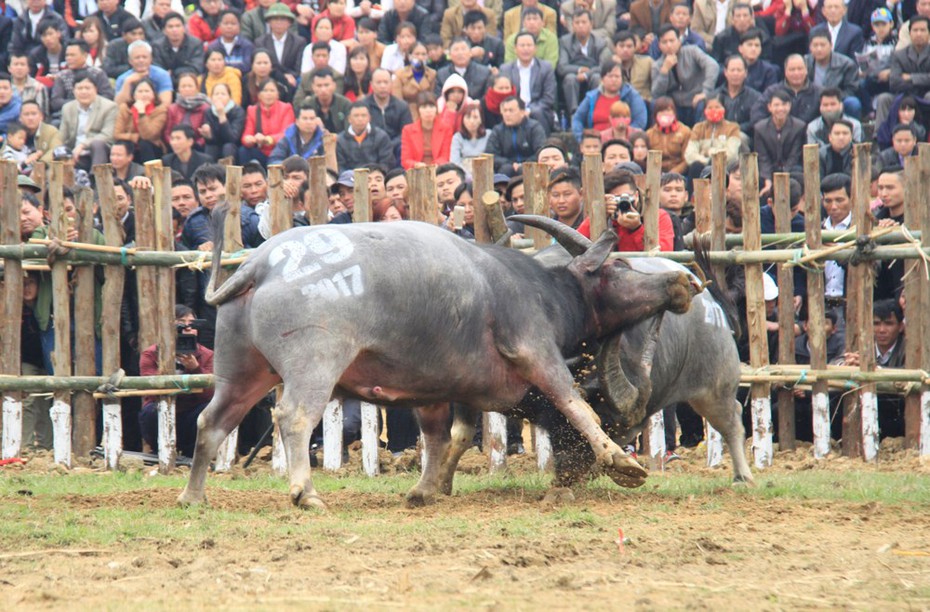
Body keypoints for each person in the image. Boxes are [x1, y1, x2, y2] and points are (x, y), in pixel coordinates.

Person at [139, 305, 214, 457]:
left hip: (191, 414)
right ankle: (159, 449)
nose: (187, 328)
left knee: (209, 410)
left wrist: (195, 369)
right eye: (181, 323)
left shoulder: (207, 355)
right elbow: (150, 390)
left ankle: (193, 453)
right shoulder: (151, 353)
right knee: (150, 412)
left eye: (192, 324)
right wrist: (166, 364)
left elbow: (210, 394)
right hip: (162, 410)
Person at [577, 168, 676, 249]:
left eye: (626, 197)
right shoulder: (602, 217)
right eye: (616, 198)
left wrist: (637, 229)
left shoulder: (657, 215)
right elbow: (575, 243)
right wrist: (598, 216)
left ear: (636, 195)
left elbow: (664, 252)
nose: (622, 202)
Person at [651, 24, 719, 127]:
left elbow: (713, 65)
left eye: (672, 41)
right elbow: (657, 94)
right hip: (675, 104)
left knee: (703, 104)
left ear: (679, 41)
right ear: (659, 45)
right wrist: (664, 71)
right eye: (664, 42)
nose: (669, 45)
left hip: (695, 99)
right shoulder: (657, 65)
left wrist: (706, 91)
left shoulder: (692, 51)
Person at [572, 58, 648, 142]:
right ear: (602, 79)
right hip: (596, 144)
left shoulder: (632, 95)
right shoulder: (591, 97)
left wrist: (626, 138)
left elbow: (640, 121)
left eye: (617, 76)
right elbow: (577, 119)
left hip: (624, 142)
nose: (614, 80)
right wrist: (583, 139)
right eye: (610, 76)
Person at [498, 31, 556, 133]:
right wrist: (516, 110)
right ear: (515, 49)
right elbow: (504, 95)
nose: (526, 49)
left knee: (538, 112)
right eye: (522, 45)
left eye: (529, 45)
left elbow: (548, 98)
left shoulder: (545, 68)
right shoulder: (505, 69)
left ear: (535, 48)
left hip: (537, 109)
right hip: (513, 108)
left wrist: (528, 110)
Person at [558, 10, 612, 116]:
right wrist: (579, 70)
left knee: (597, 78)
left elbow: (604, 67)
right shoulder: (565, 41)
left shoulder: (601, 42)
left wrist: (586, 74)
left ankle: (594, 113)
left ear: (591, 24)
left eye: (584, 22)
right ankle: (574, 113)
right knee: (570, 78)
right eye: (577, 23)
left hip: (592, 75)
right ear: (572, 25)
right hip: (574, 76)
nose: (580, 26)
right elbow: (561, 67)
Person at [753, 89, 806, 192]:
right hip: (769, 169)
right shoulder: (760, 128)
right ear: (769, 107)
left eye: (784, 104)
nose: (780, 108)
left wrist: (782, 178)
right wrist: (768, 180)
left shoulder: (799, 126)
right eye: (776, 105)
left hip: (791, 168)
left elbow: (794, 156)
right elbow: (763, 158)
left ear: (789, 106)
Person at [59, 74, 117, 168]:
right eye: (80, 88)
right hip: (74, 152)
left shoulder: (109, 107)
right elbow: (62, 136)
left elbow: (107, 135)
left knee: (97, 144)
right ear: (74, 91)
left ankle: (97, 177)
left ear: (95, 89)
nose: (83, 91)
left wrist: (82, 145)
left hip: (98, 151)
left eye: (87, 88)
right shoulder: (67, 108)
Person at [49, 39, 114, 120]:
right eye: (67, 55)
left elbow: (108, 96)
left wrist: (88, 103)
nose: (68, 58)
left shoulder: (97, 73)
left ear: (85, 55)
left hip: (95, 113)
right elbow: (56, 101)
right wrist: (80, 104)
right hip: (68, 114)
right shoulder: (62, 76)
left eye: (72, 55)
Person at [751, 54, 823, 126]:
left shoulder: (819, 92)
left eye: (800, 69)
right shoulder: (772, 91)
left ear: (806, 70)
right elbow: (757, 115)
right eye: (792, 70)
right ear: (785, 72)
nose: (796, 73)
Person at [485, 95, 547, 176]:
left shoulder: (534, 127)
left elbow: (541, 151)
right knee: (506, 170)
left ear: (522, 112)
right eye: (505, 110)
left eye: (511, 111)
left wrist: (523, 164)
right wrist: (510, 163)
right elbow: (491, 154)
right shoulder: (498, 130)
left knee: (525, 170)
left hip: (530, 165)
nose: (507, 114)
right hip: (507, 166)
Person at [804, 30, 861, 117]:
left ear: (831, 45)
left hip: (837, 100)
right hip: (811, 100)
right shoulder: (804, 62)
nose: (819, 49)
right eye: (815, 45)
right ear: (810, 47)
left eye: (822, 45)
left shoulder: (846, 64)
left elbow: (851, 90)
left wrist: (832, 99)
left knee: (853, 103)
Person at [684, 93, 740, 180]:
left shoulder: (732, 127)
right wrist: (707, 162)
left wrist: (712, 155)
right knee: (695, 167)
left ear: (724, 109)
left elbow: (732, 154)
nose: (714, 110)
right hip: (703, 166)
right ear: (704, 111)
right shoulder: (698, 128)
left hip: (725, 166)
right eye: (710, 108)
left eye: (717, 107)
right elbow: (690, 154)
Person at [240, 78, 294, 165]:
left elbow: (287, 134)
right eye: (265, 91)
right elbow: (246, 134)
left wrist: (268, 139)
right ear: (259, 95)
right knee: (243, 151)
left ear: (277, 94)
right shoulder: (252, 110)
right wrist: (249, 139)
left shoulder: (286, 108)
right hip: (261, 151)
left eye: (272, 90)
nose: (269, 94)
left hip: (280, 151)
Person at [253, 3, 307, 89]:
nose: (279, 22)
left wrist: (289, 77)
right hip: (267, 82)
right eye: (275, 19)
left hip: (291, 83)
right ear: (269, 22)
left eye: (282, 19)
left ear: (289, 22)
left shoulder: (299, 42)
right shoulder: (260, 42)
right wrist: (281, 77)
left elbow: (298, 68)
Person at [114, 76, 167, 162]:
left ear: (153, 94)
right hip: (130, 145)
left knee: (144, 143)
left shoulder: (160, 110)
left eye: (147, 91)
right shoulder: (125, 108)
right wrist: (134, 137)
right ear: (134, 95)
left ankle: (150, 173)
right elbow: (117, 134)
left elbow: (148, 135)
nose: (144, 94)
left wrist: (141, 112)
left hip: (152, 147)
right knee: (122, 146)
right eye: (140, 91)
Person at [363, 68, 412, 159]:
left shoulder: (402, 106)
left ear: (391, 84)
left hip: (395, 148)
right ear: (371, 85)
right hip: (371, 148)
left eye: (386, 82)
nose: (383, 86)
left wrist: (388, 145)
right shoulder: (363, 106)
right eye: (379, 82)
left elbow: (406, 132)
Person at [336, 100, 394, 173]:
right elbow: (340, 165)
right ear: (349, 119)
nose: (360, 119)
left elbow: (386, 163)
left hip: (376, 178)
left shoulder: (381, 136)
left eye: (363, 115)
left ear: (369, 118)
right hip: (350, 179)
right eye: (356, 116)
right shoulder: (340, 140)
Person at [115, 40, 174, 108]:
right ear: (130, 61)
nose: (141, 60)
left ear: (151, 58)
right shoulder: (123, 78)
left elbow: (166, 103)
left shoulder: (162, 75)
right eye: (137, 57)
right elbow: (117, 105)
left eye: (144, 57)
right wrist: (127, 82)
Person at [400, 91, 453, 168]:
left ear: (436, 108)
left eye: (431, 106)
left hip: (439, 169)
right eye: (424, 107)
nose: (428, 111)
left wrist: (434, 166)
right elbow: (405, 159)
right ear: (418, 110)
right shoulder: (407, 130)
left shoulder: (446, 129)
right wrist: (416, 164)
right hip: (417, 171)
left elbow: (445, 156)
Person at [436, 37, 493, 102]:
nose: (460, 53)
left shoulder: (485, 72)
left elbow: (488, 97)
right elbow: (439, 97)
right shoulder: (441, 74)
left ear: (470, 53)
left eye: (463, 49)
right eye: (456, 50)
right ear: (449, 55)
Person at [163, 72, 210, 149]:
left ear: (197, 88)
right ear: (178, 89)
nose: (187, 89)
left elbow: (207, 134)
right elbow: (167, 133)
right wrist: (174, 143)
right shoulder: (172, 108)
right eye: (183, 86)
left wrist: (196, 144)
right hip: (176, 146)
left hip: (198, 146)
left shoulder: (205, 108)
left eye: (190, 86)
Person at [152, 11, 206, 78]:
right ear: (164, 30)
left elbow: (196, 67)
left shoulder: (196, 44)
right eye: (170, 27)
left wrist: (173, 73)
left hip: (189, 81)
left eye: (178, 26)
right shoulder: (157, 46)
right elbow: (157, 69)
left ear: (184, 28)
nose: (174, 30)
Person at [201, 82, 246, 160]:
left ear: (229, 97)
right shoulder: (208, 112)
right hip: (215, 145)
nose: (219, 97)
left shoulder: (238, 111)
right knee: (210, 148)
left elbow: (232, 138)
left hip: (233, 146)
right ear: (211, 97)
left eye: (223, 94)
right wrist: (208, 135)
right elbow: (212, 141)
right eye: (216, 94)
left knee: (228, 147)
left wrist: (222, 115)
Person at [392, 41, 437, 120]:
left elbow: (433, 97)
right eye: (417, 54)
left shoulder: (432, 74)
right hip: (406, 113)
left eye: (423, 54)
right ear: (410, 56)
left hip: (426, 113)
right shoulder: (400, 74)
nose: (420, 57)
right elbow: (397, 100)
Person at [646, 96, 691, 174]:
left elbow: (687, 159)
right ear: (655, 115)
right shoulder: (649, 134)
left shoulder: (685, 131)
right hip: (656, 174)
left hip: (679, 173)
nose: (665, 114)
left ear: (674, 112)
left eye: (668, 110)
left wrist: (674, 173)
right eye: (661, 111)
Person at [206, 10, 255, 75]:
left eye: (233, 24)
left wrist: (223, 66)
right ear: (219, 26)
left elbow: (247, 66)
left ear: (239, 26)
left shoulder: (247, 46)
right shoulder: (213, 47)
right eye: (226, 23)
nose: (229, 27)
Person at [739, 28, 780, 95]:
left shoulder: (768, 70)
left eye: (757, 45)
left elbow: (770, 96)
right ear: (740, 48)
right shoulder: (732, 67)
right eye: (749, 45)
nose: (753, 49)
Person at [9, 52, 49, 118]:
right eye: (16, 64)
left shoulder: (38, 87)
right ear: (9, 68)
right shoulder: (3, 87)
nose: (19, 68)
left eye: (22, 64)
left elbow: (43, 113)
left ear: (28, 68)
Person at [20, 100, 61, 164]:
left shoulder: (51, 131)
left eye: (34, 114)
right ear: (20, 118)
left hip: (44, 169)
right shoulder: (14, 132)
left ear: (41, 116)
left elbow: (55, 150)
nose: (30, 118)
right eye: (26, 114)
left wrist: (41, 164)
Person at [450, 102, 489, 166]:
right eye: (468, 117)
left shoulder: (488, 135)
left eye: (475, 117)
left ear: (481, 119)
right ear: (463, 119)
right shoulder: (457, 137)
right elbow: (454, 162)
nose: (471, 121)